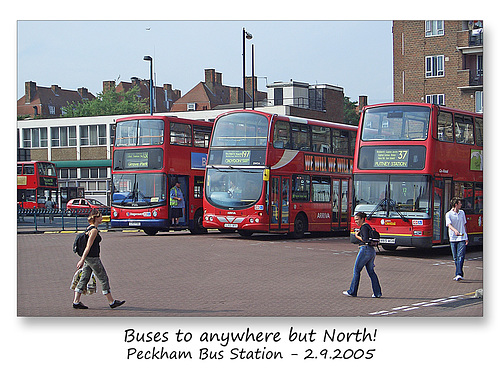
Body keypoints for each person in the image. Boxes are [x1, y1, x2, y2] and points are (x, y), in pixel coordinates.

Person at [72, 208, 125, 309]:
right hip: (93, 259)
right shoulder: (94, 231)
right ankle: (111, 301)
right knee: (103, 278)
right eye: (100, 216)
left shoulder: (89, 228)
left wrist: (84, 259)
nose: (102, 218)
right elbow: (88, 246)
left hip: (89, 259)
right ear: (96, 218)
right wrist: (82, 260)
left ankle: (76, 301)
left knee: (84, 278)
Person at [343, 212, 382, 298]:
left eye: (357, 219)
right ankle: (377, 293)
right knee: (371, 272)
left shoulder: (364, 227)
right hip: (371, 251)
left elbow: (365, 239)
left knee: (356, 270)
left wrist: (357, 236)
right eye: (355, 220)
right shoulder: (368, 226)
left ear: (362, 219)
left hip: (365, 250)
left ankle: (352, 291)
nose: (356, 221)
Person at [445, 197, 469, 281]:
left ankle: (458, 274)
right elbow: (449, 224)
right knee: (455, 257)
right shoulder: (448, 214)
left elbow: (464, 224)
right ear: (456, 205)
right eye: (460, 203)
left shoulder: (462, 213)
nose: (461, 205)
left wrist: (466, 237)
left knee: (460, 256)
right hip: (453, 238)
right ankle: (460, 273)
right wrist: (455, 230)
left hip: (461, 237)